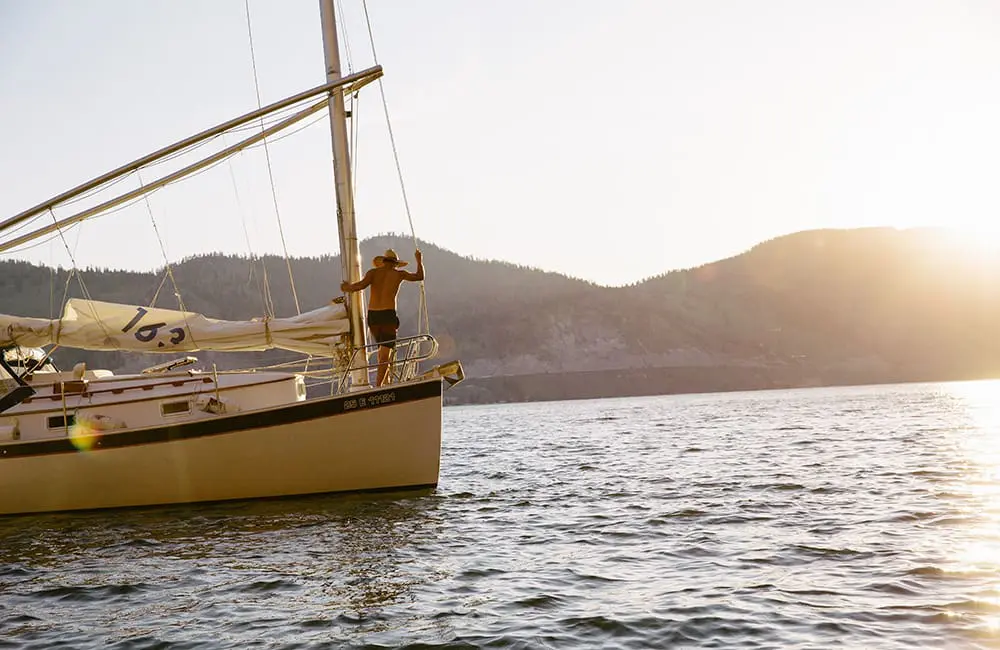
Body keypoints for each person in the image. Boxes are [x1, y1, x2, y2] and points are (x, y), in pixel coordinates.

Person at [340, 248, 424, 386]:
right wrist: (419, 260)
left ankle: (386, 382)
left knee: (382, 353)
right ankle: (379, 387)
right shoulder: (399, 274)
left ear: (383, 261)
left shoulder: (373, 273)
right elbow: (420, 276)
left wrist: (346, 287)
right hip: (387, 316)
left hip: (373, 316)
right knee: (385, 355)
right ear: (395, 264)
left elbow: (359, 286)